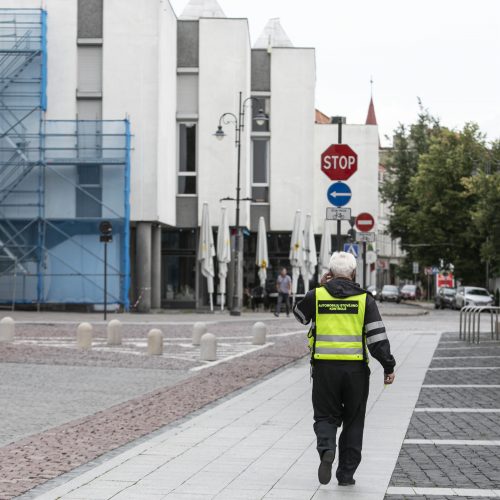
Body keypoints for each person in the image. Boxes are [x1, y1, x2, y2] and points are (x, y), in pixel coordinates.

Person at [293, 251, 396, 486]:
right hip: (356, 371)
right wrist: (388, 366)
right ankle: (346, 474)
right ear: (353, 273)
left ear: (329, 273)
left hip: (324, 368)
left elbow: (299, 315)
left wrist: (317, 288)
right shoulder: (364, 299)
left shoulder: (317, 295)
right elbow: (377, 338)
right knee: (353, 420)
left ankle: (327, 448)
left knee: (324, 416)